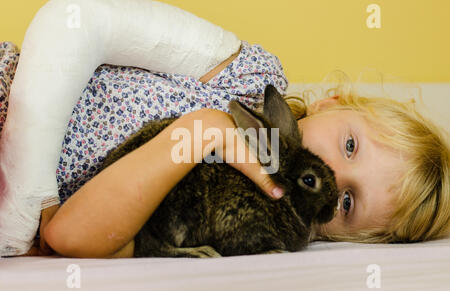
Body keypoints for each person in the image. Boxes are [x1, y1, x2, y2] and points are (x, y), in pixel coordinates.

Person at [1, 4, 446, 258]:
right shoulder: (246, 77)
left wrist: (201, 135)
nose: (328, 175)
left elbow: (69, 236)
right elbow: (77, 20)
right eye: (349, 145)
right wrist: (28, 196)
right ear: (332, 102)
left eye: (347, 201)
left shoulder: (235, 227)